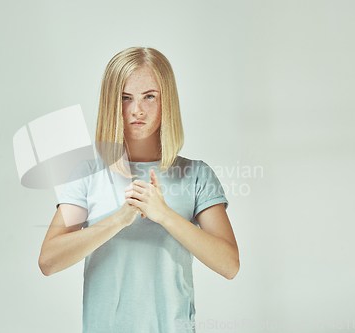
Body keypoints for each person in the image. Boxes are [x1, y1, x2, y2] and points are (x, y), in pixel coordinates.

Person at [38, 46, 239, 333]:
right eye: (125, 98)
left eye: (149, 96)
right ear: (112, 103)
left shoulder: (196, 174)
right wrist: (118, 220)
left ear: (165, 100)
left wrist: (164, 215)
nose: (138, 110)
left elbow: (229, 265)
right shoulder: (87, 174)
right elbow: (48, 260)